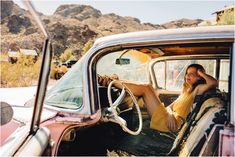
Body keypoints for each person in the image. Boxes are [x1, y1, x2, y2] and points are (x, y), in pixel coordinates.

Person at [98, 64, 218, 133]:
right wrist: (170, 113)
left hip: (171, 125)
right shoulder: (186, 91)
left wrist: (200, 72)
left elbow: (213, 82)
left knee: (145, 89)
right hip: (169, 117)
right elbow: (171, 107)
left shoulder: (197, 90)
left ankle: (110, 81)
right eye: (187, 73)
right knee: (149, 87)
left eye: (193, 73)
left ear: (199, 77)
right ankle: (114, 81)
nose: (188, 76)